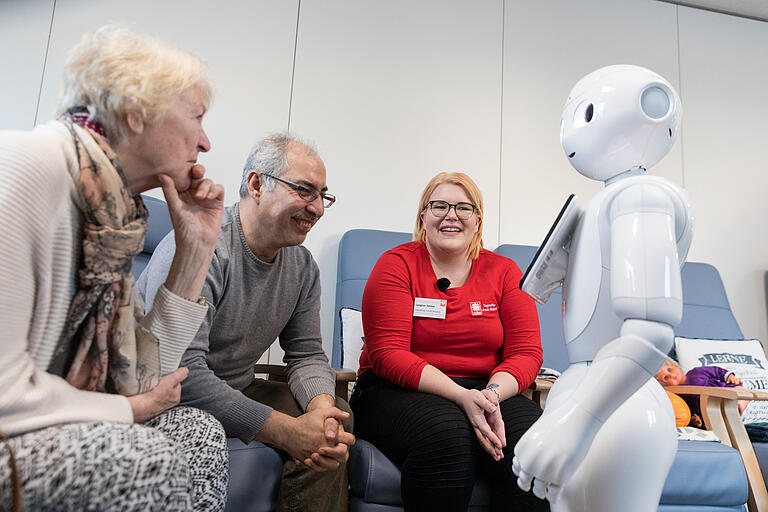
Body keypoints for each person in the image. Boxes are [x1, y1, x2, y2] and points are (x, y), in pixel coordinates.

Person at [0, 26, 229, 511]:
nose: (205, 142)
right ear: (136, 111)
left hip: (41, 422)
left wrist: (195, 250)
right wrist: (126, 410)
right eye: (197, 117)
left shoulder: (112, 214)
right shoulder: (21, 167)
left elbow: (143, 379)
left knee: (198, 434)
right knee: (144, 457)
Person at [137, 133, 354, 512]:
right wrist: (287, 432)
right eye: (304, 190)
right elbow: (181, 373)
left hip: (237, 387)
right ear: (256, 184)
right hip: (164, 395)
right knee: (309, 428)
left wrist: (320, 412)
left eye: (323, 195)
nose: (317, 208)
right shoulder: (202, 247)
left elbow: (305, 355)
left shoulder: (302, 268)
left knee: (335, 421)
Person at [350, 172, 548, 511]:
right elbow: (387, 354)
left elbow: (526, 352)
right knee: (447, 433)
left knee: (534, 440)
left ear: (477, 221)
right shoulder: (397, 265)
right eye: (439, 205)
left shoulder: (505, 272)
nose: (450, 214)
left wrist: (490, 396)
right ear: (423, 217)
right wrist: (461, 397)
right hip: (395, 391)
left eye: (463, 207)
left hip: (486, 389)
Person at [655, 357, 749, 426]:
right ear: (666, 385)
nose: (672, 375)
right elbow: (687, 407)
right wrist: (694, 418)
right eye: (666, 378)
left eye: (670, 370)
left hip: (725, 390)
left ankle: (738, 407)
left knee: (742, 392)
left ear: (675, 366)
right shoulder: (679, 393)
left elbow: (715, 371)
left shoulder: (695, 372)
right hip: (708, 409)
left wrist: (729, 376)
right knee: (707, 417)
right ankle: (729, 413)